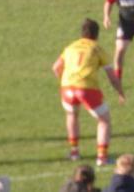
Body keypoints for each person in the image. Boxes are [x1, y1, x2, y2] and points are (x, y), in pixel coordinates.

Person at [52, 19, 125, 166]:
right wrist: (120, 92)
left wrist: (64, 80)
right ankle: (102, 157)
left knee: (72, 114)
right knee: (104, 120)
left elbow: (55, 67)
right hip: (86, 88)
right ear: (96, 35)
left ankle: (74, 152)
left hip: (67, 87)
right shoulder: (97, 49)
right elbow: (112, 76)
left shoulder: (70, 47)